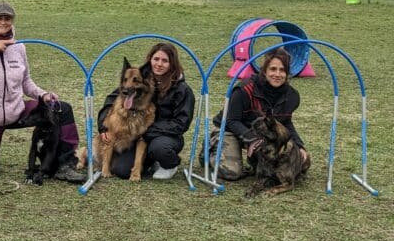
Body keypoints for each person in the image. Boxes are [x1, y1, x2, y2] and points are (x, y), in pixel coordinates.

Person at [0, 1, 87, 182]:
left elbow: (26, 82)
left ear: (12, 21)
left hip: (16, 111)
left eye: (8, 18)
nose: (3, 22)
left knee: (60, 108)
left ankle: (65, 165)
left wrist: (43, 94)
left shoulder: (19, 47)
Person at [96, 42, 195, 180]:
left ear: (172, 63)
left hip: (166, 136)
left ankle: (169, 164)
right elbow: (111, 101)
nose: (159, 64)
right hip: (140, 135)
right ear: (150, 61)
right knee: (121, 170)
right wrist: (103, 127)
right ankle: (148, 162)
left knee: (160, 148)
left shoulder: (182, 89)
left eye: (165, 60)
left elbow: (181, 124)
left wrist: (148, 130)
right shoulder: (142, 77)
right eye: (156, 59)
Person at [211, 47, 311, 180]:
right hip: (229, 130)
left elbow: (286, 123)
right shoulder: (244, 90)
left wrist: (299, 146)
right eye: (273, 69)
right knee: (232, 172)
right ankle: (210, 151)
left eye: (282, 70)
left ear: (287, 73)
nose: (277, 74)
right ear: (264, 71)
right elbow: (231, 121)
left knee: (278, 167)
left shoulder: (292, 96)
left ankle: (253, 159)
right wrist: (253, 139)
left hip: (261, 135)